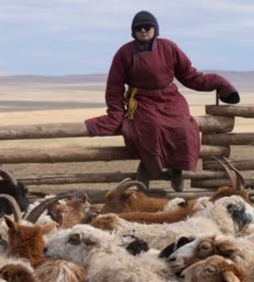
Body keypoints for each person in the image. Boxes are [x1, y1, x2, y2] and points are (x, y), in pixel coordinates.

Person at [85, 11, 240, 192]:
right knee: (151, 127)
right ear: (133, 31)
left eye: (147, 27)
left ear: (155, 29)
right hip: (142, 100)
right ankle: (147, 169)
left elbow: (191, 76)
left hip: (170, 98)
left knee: (184, 127)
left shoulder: (169, 48)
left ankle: (177, 169)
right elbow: (114, 87)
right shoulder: (125, 53)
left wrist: (221, 85)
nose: (143, 30)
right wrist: (115, 113)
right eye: (138, 28)